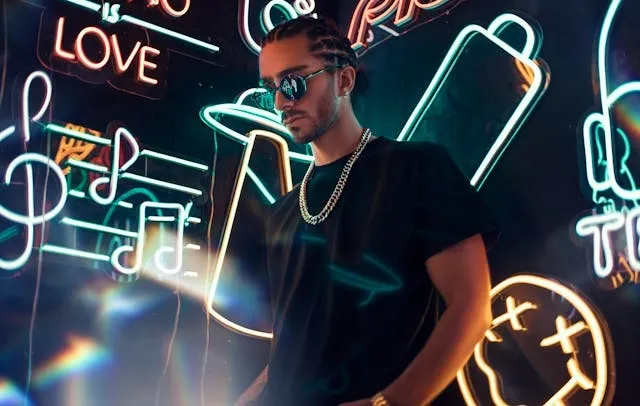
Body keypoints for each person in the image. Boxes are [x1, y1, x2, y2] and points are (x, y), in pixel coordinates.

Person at [234, 15, 499, 406]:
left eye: (293, 82)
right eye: (269, 88)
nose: (281, 102)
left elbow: (472, 309)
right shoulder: (283, 213)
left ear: (344, 80)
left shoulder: (416, 170)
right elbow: (291, 348)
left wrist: (392, 402)